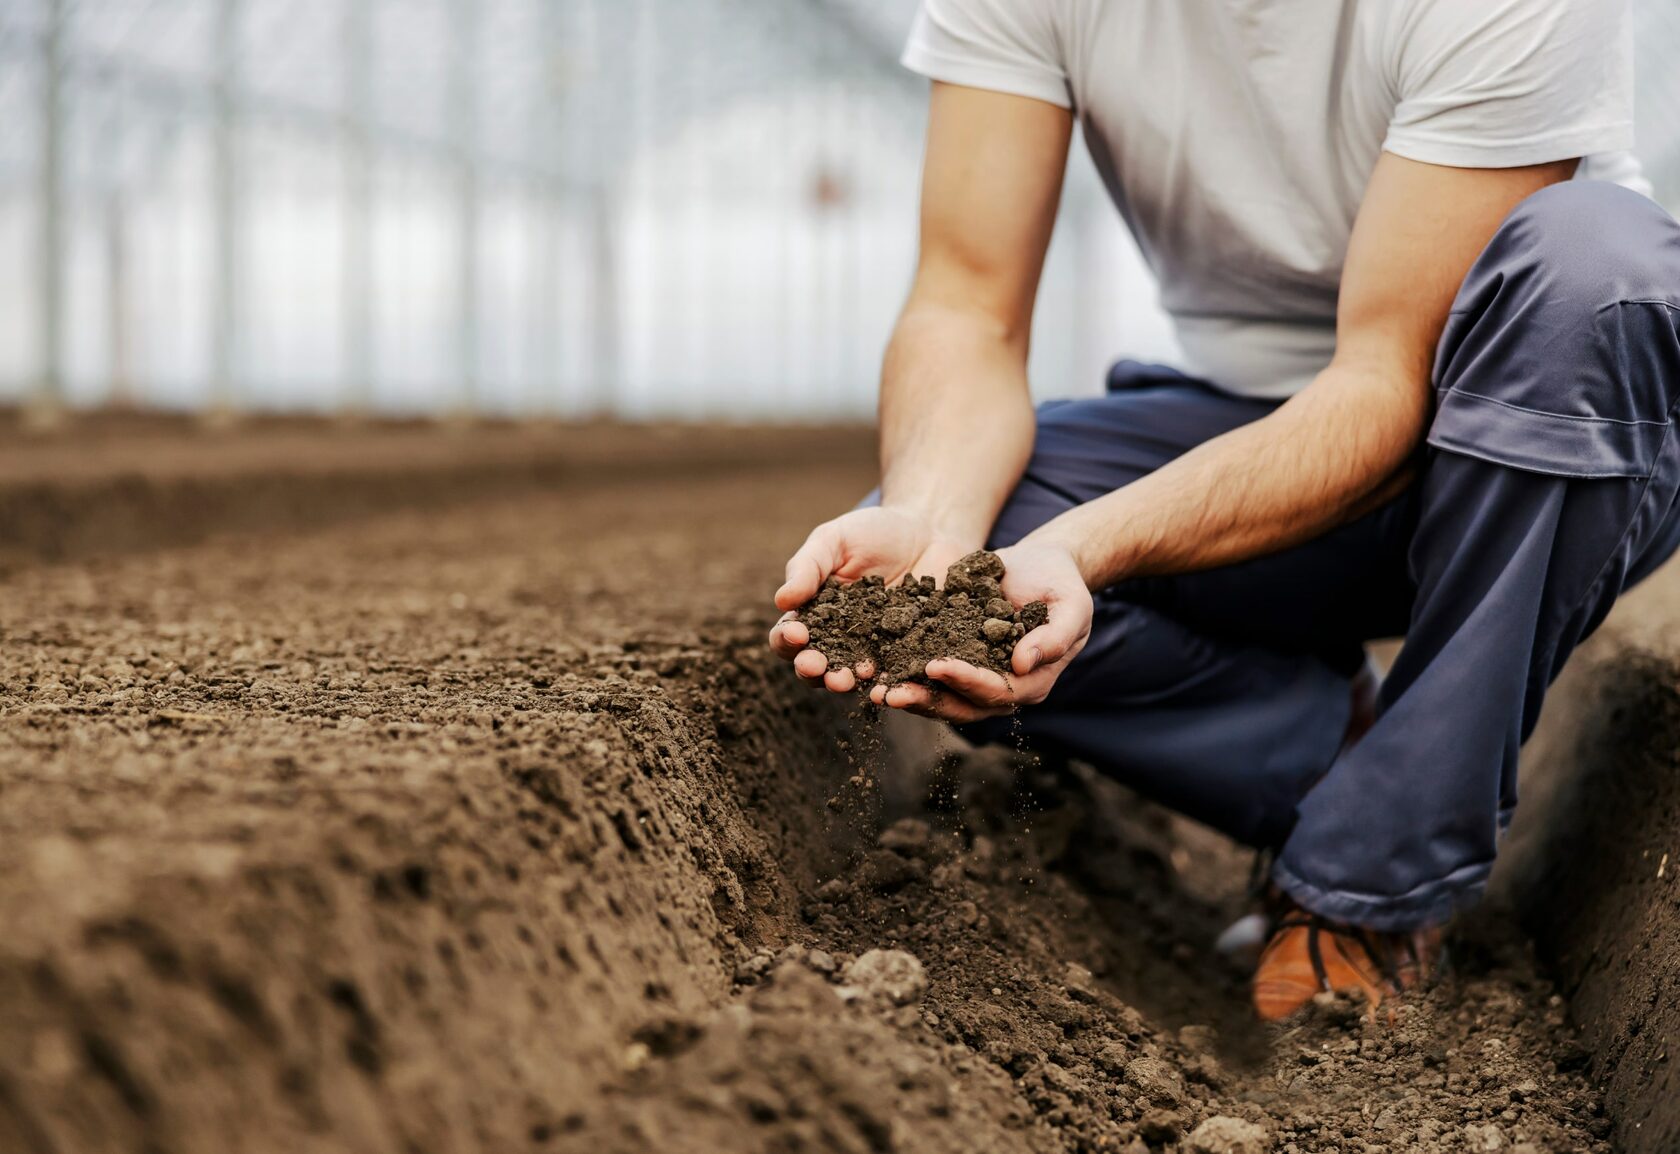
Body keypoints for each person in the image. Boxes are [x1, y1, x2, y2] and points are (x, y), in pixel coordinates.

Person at [768, 0, 1680, 1021]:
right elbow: (965, 305)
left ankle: (1373, 880)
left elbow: (1384, 383)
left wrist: (1083, 545)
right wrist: (941, 529)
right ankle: (1341, 751)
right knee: (948, 563)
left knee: (1600, 266)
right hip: (1258, 425)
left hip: (1529, 444)